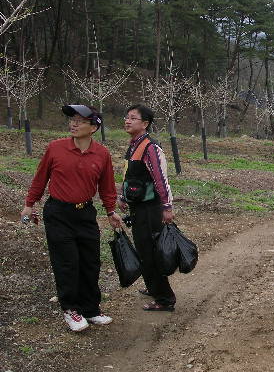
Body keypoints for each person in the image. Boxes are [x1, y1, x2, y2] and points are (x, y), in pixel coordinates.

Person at [21, 105, 121, 332]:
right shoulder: (55, 148)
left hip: (85, 213)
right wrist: (29, 204)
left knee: (90, 261)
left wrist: (110, 211)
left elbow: (106, 187)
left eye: (80, 120)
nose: (74, 124)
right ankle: (70, 309)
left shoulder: (102, 154)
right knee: (67, 262)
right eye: (72, 119)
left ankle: (91, 309)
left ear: (94, 127)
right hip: (58, 213)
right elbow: (40, 178)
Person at [117, 104, 176, 312]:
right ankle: (153, 287)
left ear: (145, 123)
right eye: (127, 117)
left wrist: (167, 207)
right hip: (139, 208)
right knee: (144, 250)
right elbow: (130, 175)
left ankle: (164, 299)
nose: (127, 120)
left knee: (150, 252)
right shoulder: (134, 145)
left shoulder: (150, 147)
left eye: (133, 118)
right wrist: (123, 196)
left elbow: (161, 179)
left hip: (151, 209)